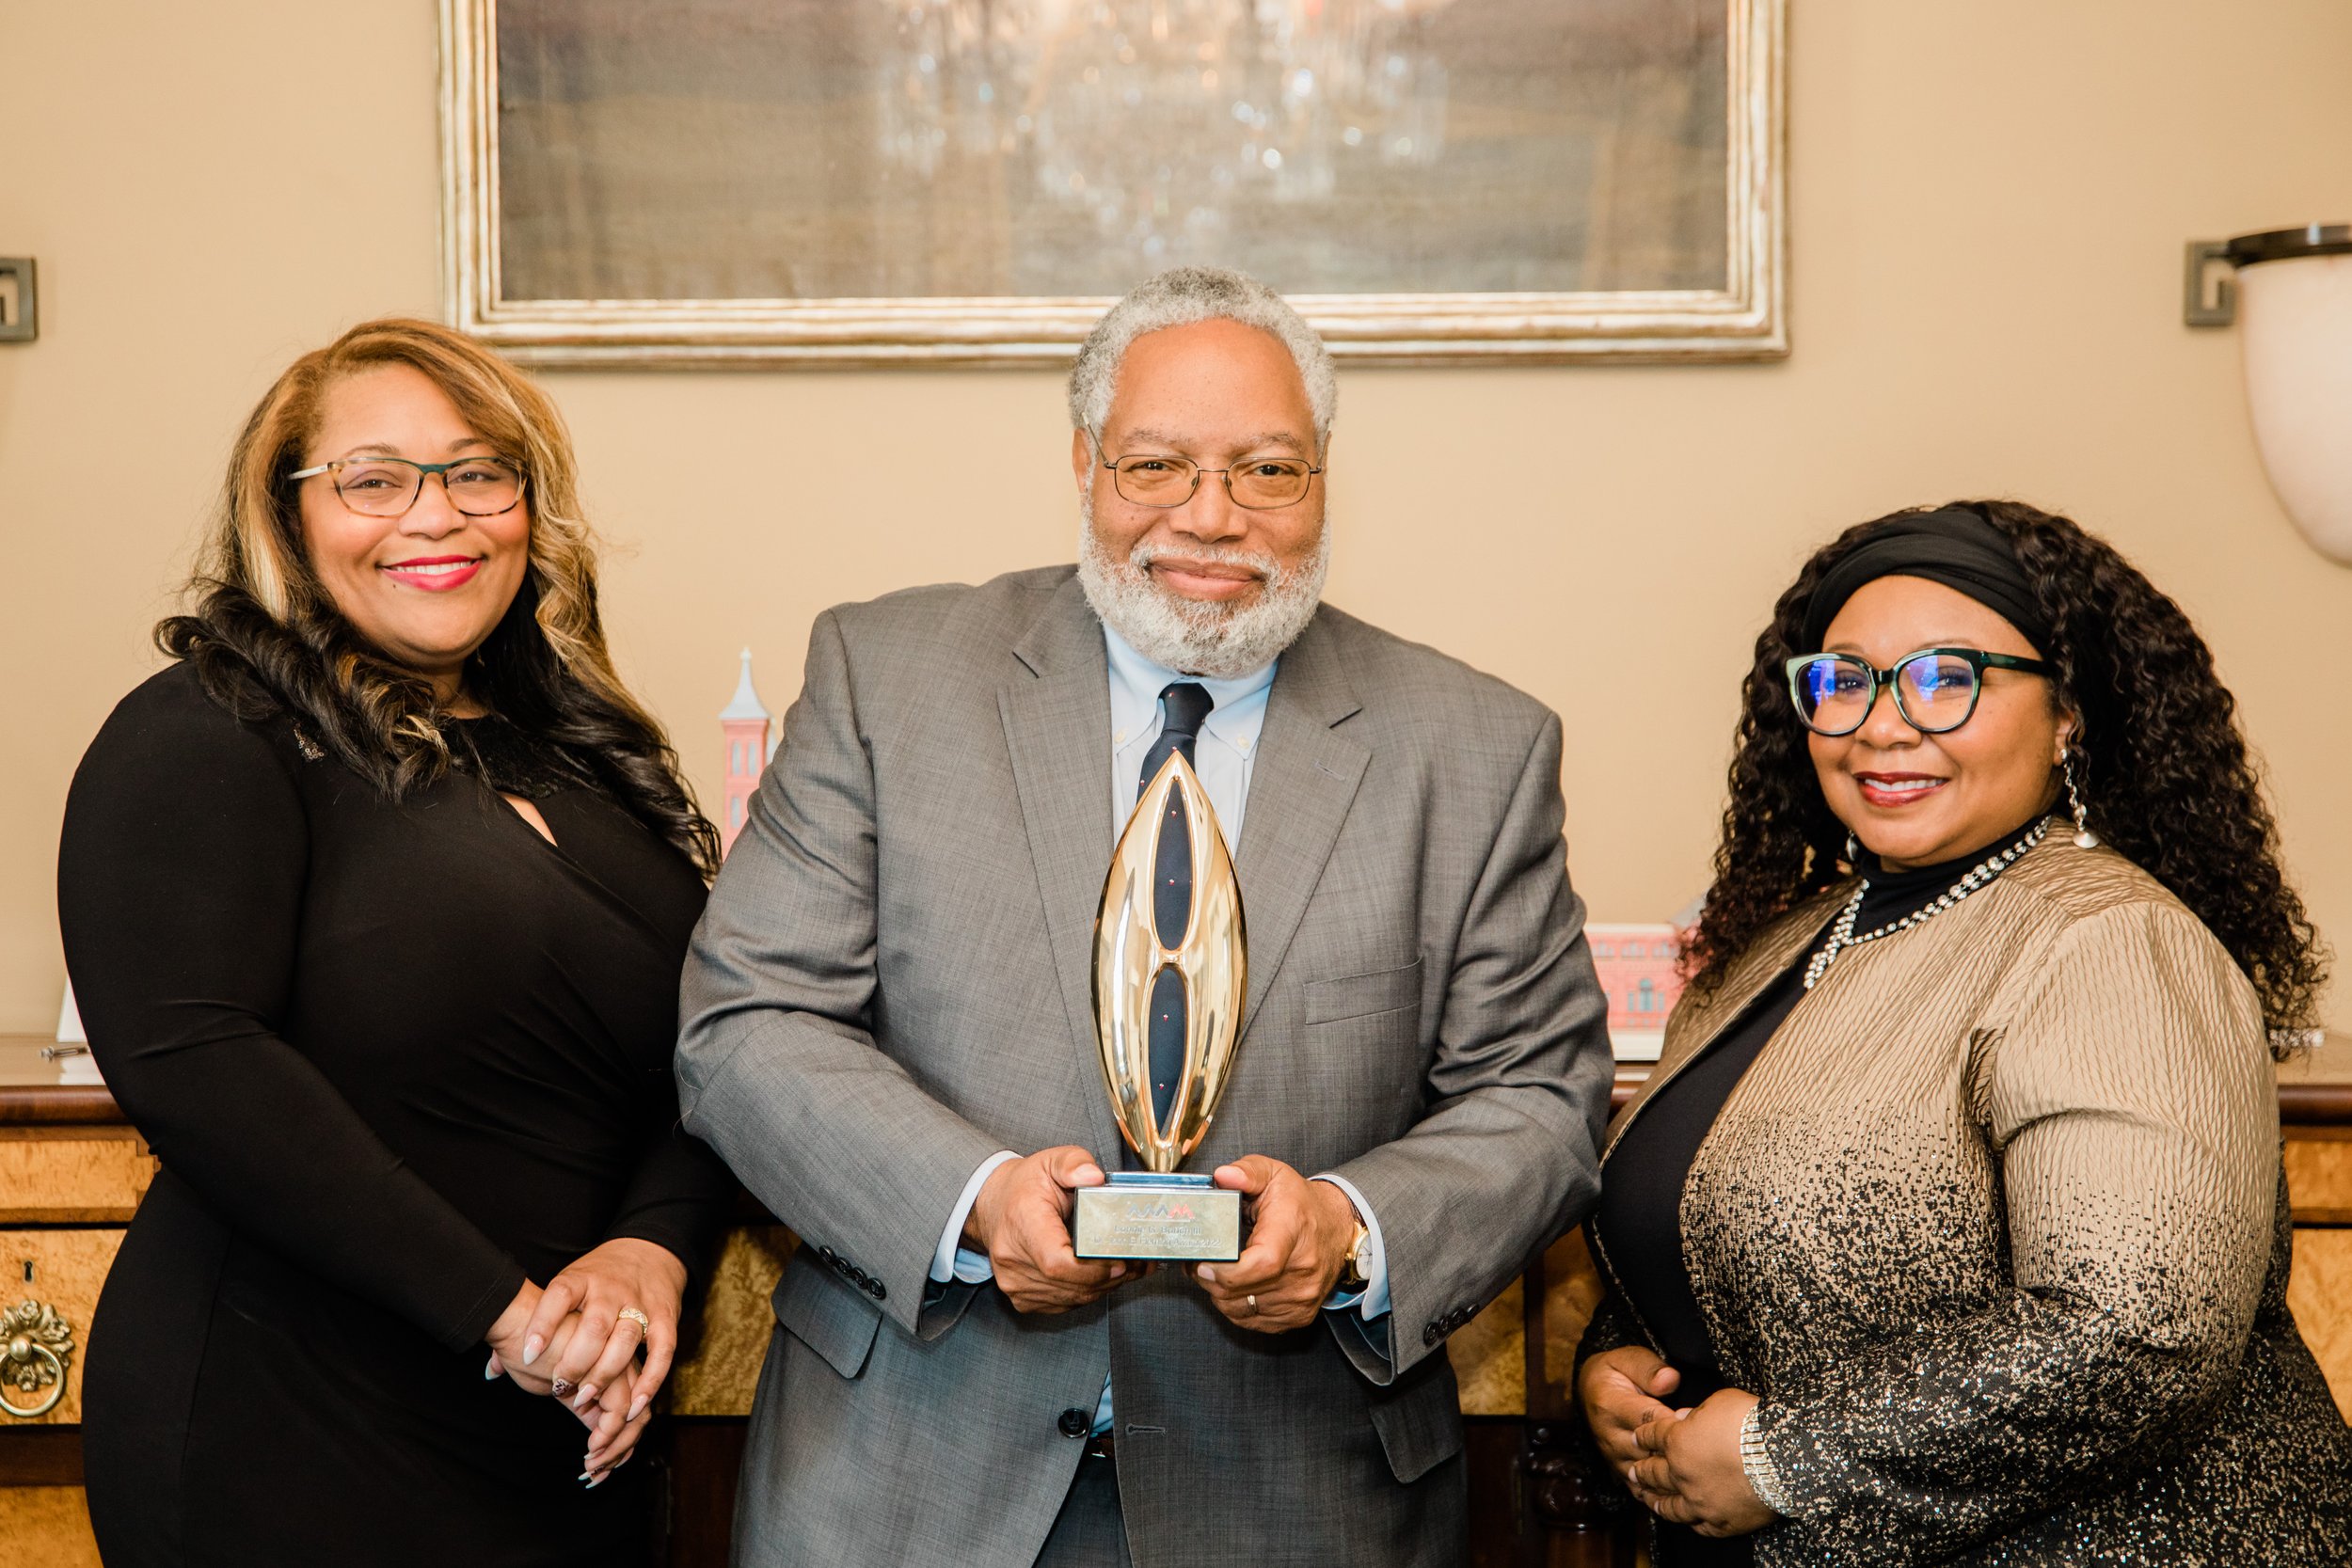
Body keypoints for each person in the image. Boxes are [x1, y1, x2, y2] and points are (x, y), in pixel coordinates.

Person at [676, 266, 1614, 1567]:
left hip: (1301, 1495)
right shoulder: (885, 677)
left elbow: (1542, 1094)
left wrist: (1350, 1224)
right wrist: (973, 1199)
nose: (1212, 517)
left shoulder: (1474, 744)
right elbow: (749, 1021)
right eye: (1157, 464)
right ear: (1084, 462)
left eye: (1268, 470)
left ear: (1323, 477)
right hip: (906, 1478)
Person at [57, 319, 737, 1566]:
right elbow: (196, 1060)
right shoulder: (211, 726)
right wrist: (501, 1311)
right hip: (292, 1409)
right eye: (373, 478)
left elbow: (711, 1049)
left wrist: (652, 1245)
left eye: (480, 471)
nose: (438, 515)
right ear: (289, 514)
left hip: (563, 1413)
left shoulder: (579, 755)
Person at [1575, 501, 2352, 1566]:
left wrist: (1780, 1457)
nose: (1882, 724)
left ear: (2066, 712)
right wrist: (1618, 1360)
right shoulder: (1777, 946)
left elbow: (2139, 1330)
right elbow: (1708, 1228)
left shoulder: (2110, 940)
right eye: (1841, 680)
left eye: (1947, 676)